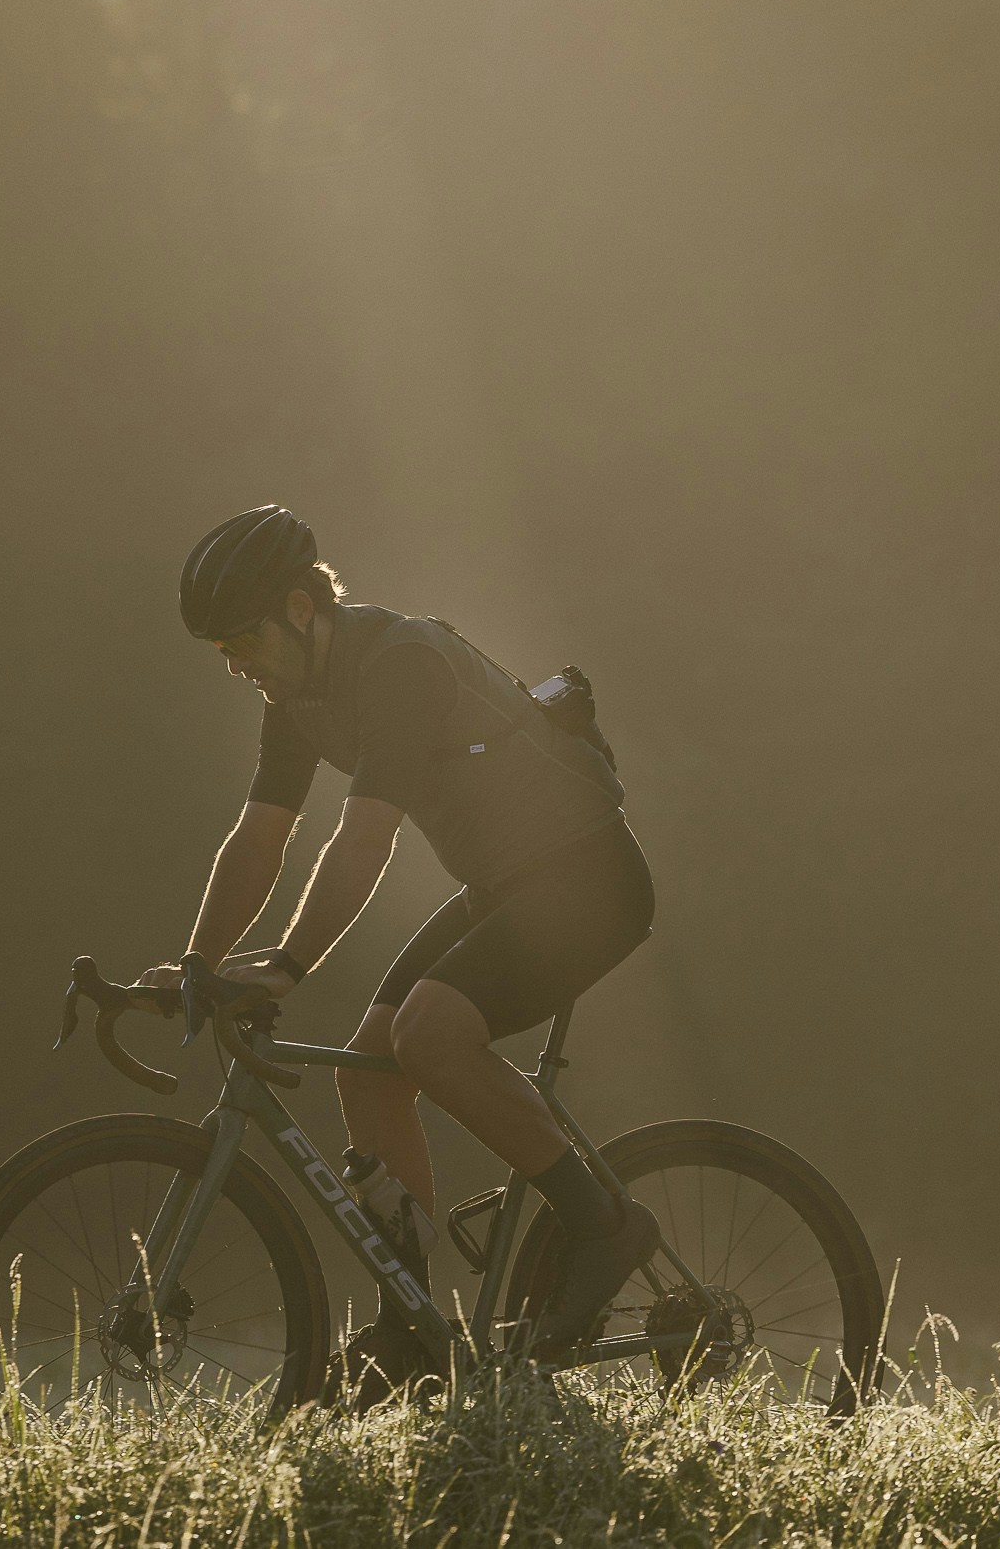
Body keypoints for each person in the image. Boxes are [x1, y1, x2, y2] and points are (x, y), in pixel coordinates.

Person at [138, 504, 661, 1396]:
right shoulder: (294, 696)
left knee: (428, 1034)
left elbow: (362, 843)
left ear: (302, 610)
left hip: (588, 880)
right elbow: (257, 840)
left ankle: (601, 1223)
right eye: (219, 650)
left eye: (241, 639)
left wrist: (285, 966)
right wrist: (197, 962)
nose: (234, 664)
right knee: (368, 1069)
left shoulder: (400, 666)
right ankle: (412, 1328)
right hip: (508, 889)